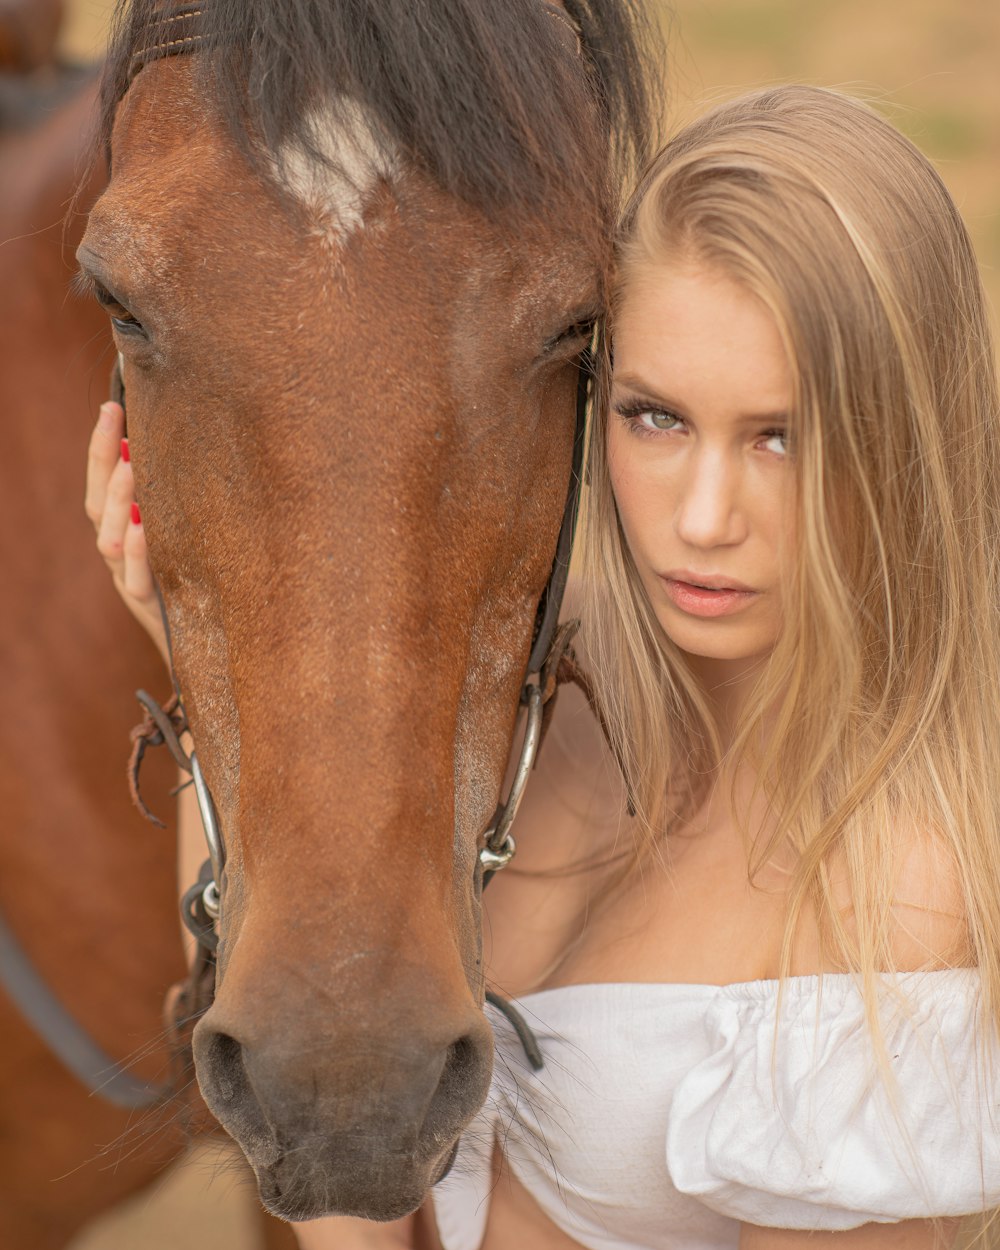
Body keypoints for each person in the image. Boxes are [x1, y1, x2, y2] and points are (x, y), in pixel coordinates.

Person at [86, 85, 1000, 1249]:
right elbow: (350, 1207)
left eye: (780, 435)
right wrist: (211, 661)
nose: (705, 516)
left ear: (901, 438)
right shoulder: (537, 721)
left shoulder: (888, 893)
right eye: (655, 418)